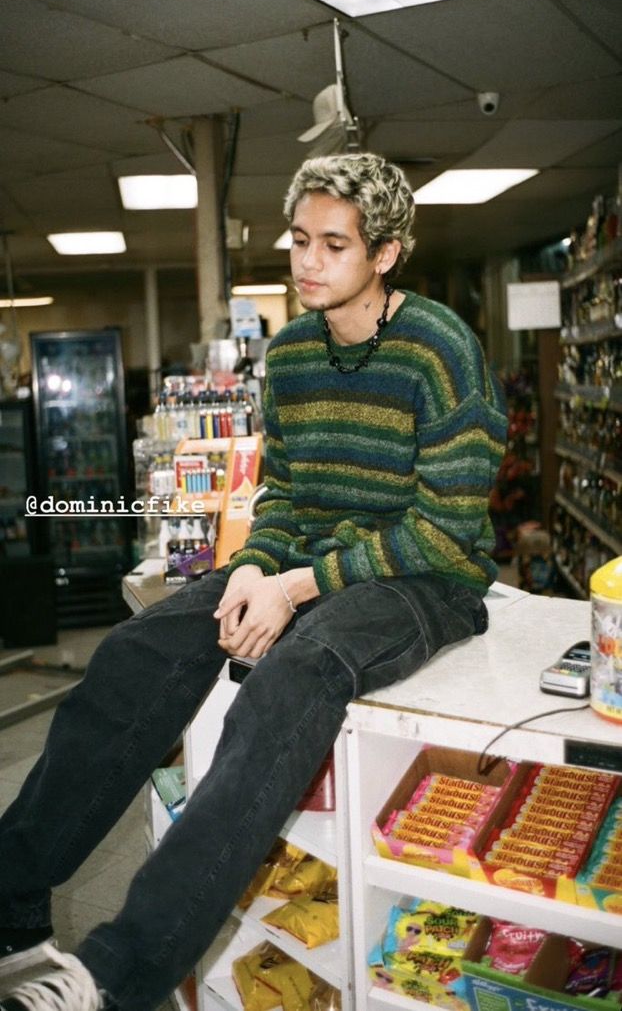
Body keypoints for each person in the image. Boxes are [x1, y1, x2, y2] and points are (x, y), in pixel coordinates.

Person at [0, 153, 507, 1011]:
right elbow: (288, 495)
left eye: (334, 245)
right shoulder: (296, 351)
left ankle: (114, 977)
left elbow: (445, 527)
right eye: (300, 239)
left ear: (385, 254)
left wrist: (300, 587)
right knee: (133, 651)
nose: (307, 261)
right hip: (312, 559)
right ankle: (10, 908)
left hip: (425, 578)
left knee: (290, 679)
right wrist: (256, 567)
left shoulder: (442, 349)